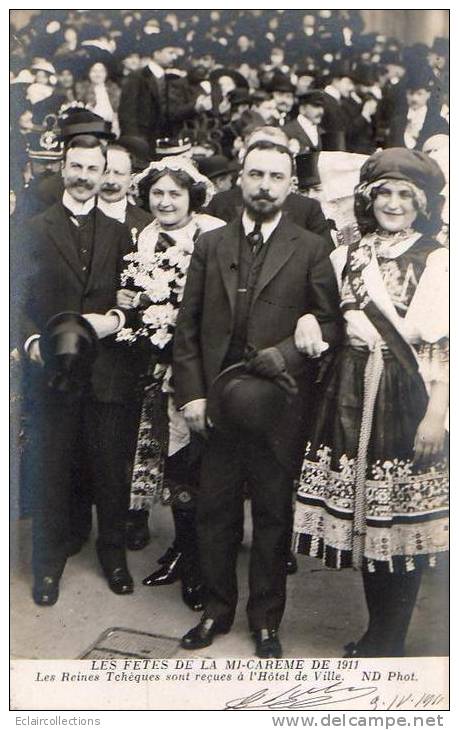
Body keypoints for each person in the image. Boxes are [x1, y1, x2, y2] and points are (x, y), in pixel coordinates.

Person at [173, 140, 341, 657]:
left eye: (275, 177)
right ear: (239, 180)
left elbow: (330, 322)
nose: (264, 186)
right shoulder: (212, 244)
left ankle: (266, 621)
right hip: (219, 404)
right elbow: (189, 328)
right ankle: (216, 611)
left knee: (272, 514)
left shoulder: (311, 248)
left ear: (291, 185)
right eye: (255, 175)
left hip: (279, 406)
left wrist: (288, 352)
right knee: (216, 509)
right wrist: (193, 395)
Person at [292, 148, 449, 657]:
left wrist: (436, 414)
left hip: (409, 391)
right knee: (367, 519)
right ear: (368, 198)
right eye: (385, 193)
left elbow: (444, 345)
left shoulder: (438, 257)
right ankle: (381, 633)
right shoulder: (346, 256)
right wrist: (310, 321)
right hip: (349, 390)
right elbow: (327, 315)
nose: (394, 203)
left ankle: (389, 640)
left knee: (399, 523)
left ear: (421, 204)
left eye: (406, 195)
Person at [20, 135, 146, 606]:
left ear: (104, 173)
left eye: (94, 168)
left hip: (107, 371)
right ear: (64, 167)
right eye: (76, 166)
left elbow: (135, 296)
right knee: (53, 468)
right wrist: (31, 340)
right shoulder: (34, 227)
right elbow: (14, 296)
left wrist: (115, 318)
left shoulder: (120, 233)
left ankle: (114, 558)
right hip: (52, 370)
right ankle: (47, 567)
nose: (84, 176)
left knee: (111, 470)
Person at [116, 156, 224, 609]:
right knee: (174, 464)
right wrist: (133, 301)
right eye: (157, 194)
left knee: (202, 464)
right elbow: (144, 293)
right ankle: (183, 548)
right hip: (157, 365)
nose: (164, 202)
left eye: (174, 194)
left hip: (201, 368)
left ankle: (203, 562)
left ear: (192, 198)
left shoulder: (212, 234)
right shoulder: (145, 235)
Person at [75, 60, 122, 137]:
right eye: (94, 71)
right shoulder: (82, 90)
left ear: (106, 73)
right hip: (90, 128)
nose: (98, 74)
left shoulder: (113, 89)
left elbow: (116, 111)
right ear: (89, 73)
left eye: (101, 71)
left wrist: (115, 125)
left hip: (111, 127)